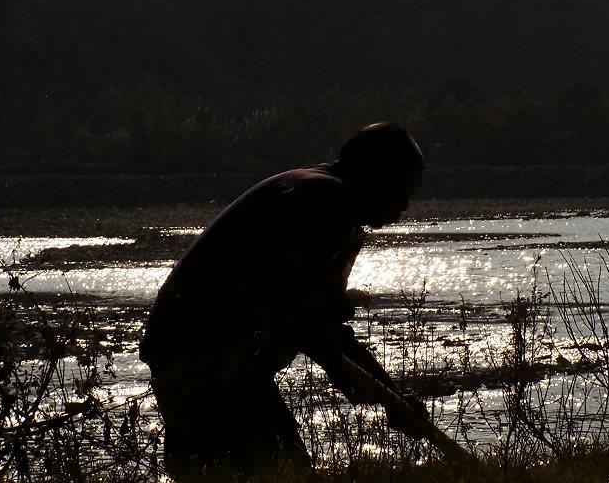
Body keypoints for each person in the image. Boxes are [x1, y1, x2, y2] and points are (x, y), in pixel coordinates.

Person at [139, 123, 428, 477]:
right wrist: (389, 398)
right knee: (280, 468)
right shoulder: (324, 201)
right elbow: (311, 325)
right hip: (202, 357)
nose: (404, 204)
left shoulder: (324, 198)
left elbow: (320, 324)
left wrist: (391, 398)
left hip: (210, 357)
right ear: (377, 174)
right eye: (402, 189)